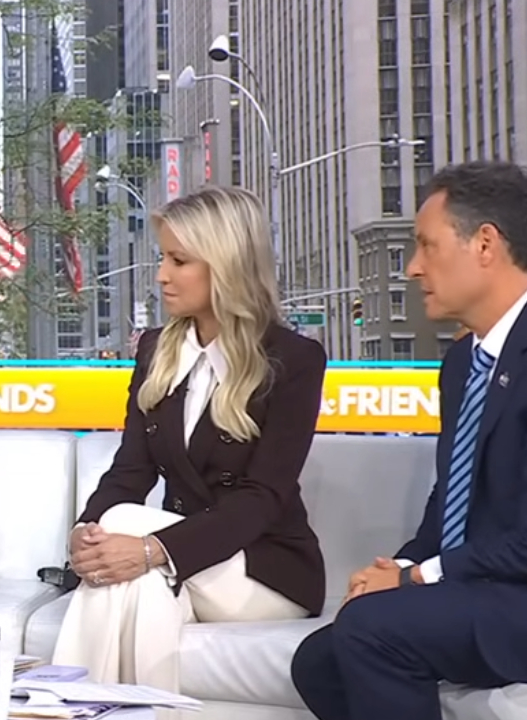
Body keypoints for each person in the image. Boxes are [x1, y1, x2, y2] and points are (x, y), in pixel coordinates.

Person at [52, 186, 327, 698]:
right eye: (163, 258)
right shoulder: (156, 349)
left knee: (133, 541)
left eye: (179, 261)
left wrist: (153, 548)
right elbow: (130, 470)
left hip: (262, 568)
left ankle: (65, 704)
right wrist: (86, 534)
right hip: (178, 560)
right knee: (140, 584)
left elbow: (262, 498)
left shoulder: (293, 360)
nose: (161, 275)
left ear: (227, 265)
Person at [290, 161, 527, 720]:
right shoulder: (462, 363)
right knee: (318, 660)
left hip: (516, 593)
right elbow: (452, 498)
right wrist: (397, 567)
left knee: (370, 631)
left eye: (427, 246)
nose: (413, 267)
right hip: (483, 588)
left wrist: (416, 576)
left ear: (485, 244)